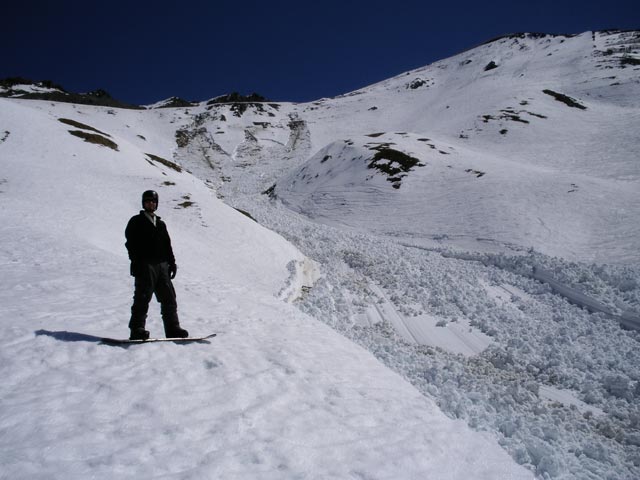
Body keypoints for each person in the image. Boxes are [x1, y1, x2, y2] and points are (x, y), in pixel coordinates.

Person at [125, 190, 188, 340]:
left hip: (162, 266)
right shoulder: (136, 221)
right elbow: (131, 244)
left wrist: (172, 263)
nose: (150, 204)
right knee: (142, 297)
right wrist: (136, 262)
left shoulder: (160, 224)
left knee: (169, 297)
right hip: (145, 265)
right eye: (147, 201)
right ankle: (137, 329)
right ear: (143, 203)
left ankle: (173, 328)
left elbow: (167, 246)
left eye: (153, 201)